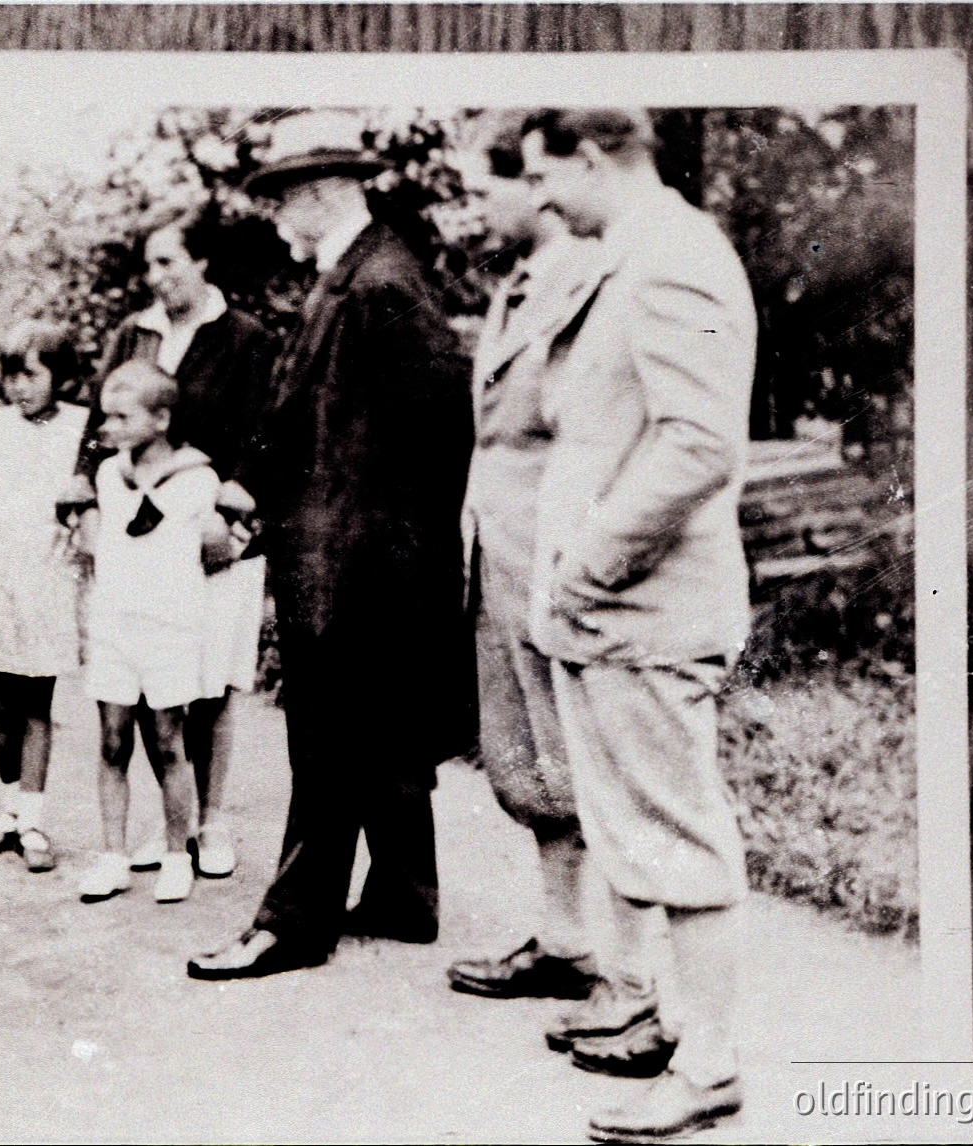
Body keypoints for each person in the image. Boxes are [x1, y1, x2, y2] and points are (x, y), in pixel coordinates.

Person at [187, 110, 475, 981]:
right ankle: (403, 895)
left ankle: (293, 922)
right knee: (379, 732)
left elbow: (442, 427)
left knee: (326, 738)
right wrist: (253, 494)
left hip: (363, 562)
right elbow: (302, 414)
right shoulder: (351, 278)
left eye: (281, 199)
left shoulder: (380, 286)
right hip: (350, 552)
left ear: (320, 195)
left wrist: (378, 541)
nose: (275, 218)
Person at [519, 109, 758, 1141]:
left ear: (593, 154)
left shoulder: (674, 257)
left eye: (546, 175)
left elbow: (698, 444)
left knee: (680, 837)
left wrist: (587, 569)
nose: (540, 199)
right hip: (613, 615)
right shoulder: (631, 255)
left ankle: (708, 1069)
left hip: (645, 610)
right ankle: (673, 1027)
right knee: (643, 836)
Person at [443, 112, 606, 1005]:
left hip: (557, 556)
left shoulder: (586, 279)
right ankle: (565, 940)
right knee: (526, 761)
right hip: (500, 558)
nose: (475, 211)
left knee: (580, 757)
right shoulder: (519, 284)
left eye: (483, 191)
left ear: (532, 187)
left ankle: (625, 967)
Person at [64, 207, 277, 879]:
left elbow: (265, 432)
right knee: (149, 688)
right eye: (148, 265)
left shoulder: (244, 336)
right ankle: (168, 826)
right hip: (139, 544)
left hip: (212, 530)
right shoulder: (135, 333)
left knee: (207, 682)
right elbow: (100, 425)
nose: (155, 278)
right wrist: (85, 508)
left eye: (168, 262)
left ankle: (208, 824)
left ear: (202, 262)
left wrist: (232, 519)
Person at [74, 361, 229, 905]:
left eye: (121, 416)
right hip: (115, 625)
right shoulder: (105, 475)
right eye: (105, 415)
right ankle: (113, 856)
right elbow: (104, 543)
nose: (107, 426)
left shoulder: (198, 478)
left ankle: (176, 854)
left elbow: (214, 551)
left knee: (169, 742)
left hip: (168, 629)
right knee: (112, 742)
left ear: (161, 418)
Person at [0, 322, 90, 873]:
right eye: (11, 375)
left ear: (61, 375)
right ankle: (10, 809)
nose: (19, 387)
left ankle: (33, 820)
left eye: (31, 374)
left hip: (47, 579)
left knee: (35, 702)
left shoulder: (81, 428)